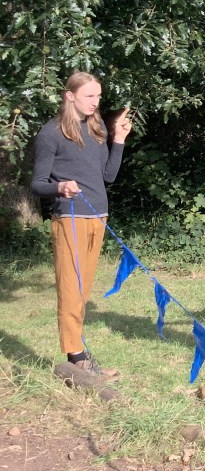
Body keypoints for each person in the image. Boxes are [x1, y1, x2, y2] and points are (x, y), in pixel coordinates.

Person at [31, 71, 133, 380]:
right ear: (69, 96)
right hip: (70, 218)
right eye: (89, 96)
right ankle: (76, 357)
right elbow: (37, 184)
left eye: (98, 96)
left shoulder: (96, 129)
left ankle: (79, 355)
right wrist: (60, 187)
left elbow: (108, 176)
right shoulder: (50, 134)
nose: (95, 102)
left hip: (98, 216)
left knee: (83, 290)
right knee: (70, 289)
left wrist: (118, 140)